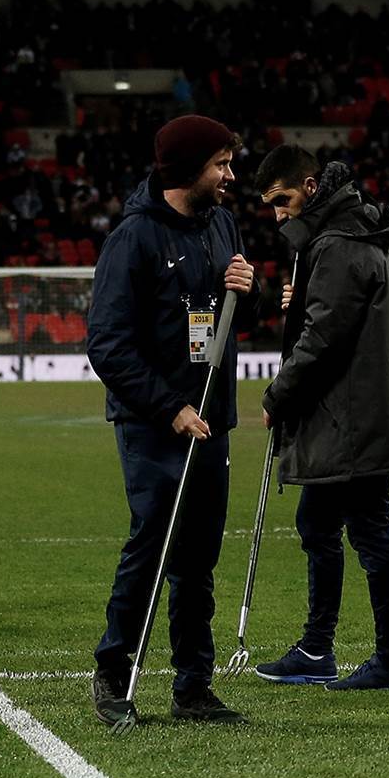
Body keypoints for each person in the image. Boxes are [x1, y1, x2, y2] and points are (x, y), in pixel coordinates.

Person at [86, 115, 260, 727]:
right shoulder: (132, 239)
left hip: (212, 417)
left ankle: (193, 686)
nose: (230, 176)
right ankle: (113, 676)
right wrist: (170, 407)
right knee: (153, 546)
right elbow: (106, 344)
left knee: (199, 557)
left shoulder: (223, 223)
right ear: (188, 169)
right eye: (221, 165)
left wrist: (245, 286)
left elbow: (221, 316)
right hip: (153, 424)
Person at [251, 150, 389, 692]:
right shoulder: (370, 235)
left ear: (312, 186)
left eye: (282, 200)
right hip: (357, 412)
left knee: (369, 528)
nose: (276, 214)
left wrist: (279, 394)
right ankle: (317, 648)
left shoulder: (339, 245)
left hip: (351, 418)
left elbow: (324, 338)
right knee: (317, 524)